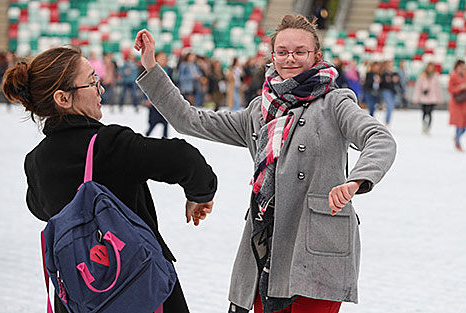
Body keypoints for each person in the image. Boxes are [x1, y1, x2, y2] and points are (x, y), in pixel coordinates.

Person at [135, 14, 396, 313]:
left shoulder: (336, 104)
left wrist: (357, 180)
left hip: (317, 247)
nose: (290, 59)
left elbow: (379, 138)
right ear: (272, 56)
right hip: (265, 246)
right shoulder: (259, 111)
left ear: (317, 56)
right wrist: (152, 67)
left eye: (300, 52)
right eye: (282, 52)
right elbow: (189, 119)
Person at [2, 45, 217, 313]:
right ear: (62, 98)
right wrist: (201, 195)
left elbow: (39, 209)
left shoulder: (35, 161)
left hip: (82, 295)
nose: (100, 89)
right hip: (139, 287)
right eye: (92, 82)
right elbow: (184, 158)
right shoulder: (108, 145)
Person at [412, 62, 443, 135]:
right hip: (424, 98)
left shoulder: (435, 76)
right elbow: (418, 87)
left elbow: (438, 88)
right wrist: (416, 98)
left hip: (432, 98)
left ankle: (428, 128)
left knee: (430, 113)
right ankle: (424, 125)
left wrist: (439, 99)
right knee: (424, 113)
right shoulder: (422, 76)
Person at [145, 51, 170, 138]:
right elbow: (146, 85)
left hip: (165, 101)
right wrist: (147, 98)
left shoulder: (169, 70)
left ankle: (165, 140)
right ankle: (146, 137)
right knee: (153, 123)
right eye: (161, 58)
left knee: (165, 123)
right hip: (154, 101)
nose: (164, 60)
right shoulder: (151, 70)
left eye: (165, 58)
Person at [447, 59, 466, 151]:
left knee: (464, 125)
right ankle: (458, 142)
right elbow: (450, 89)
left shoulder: (465, 75)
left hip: (464, 103)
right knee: (459, 124)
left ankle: (457, 138)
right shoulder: (453, 76)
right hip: (456, 103)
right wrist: (459, 87)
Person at [380, 60, 397, 125]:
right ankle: (387, 121)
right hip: (386, 91)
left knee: (391, 107)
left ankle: (388, 121)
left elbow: (396, 82)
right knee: (390, 106)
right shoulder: (384, 74)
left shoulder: (393, 73)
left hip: (392, 91)